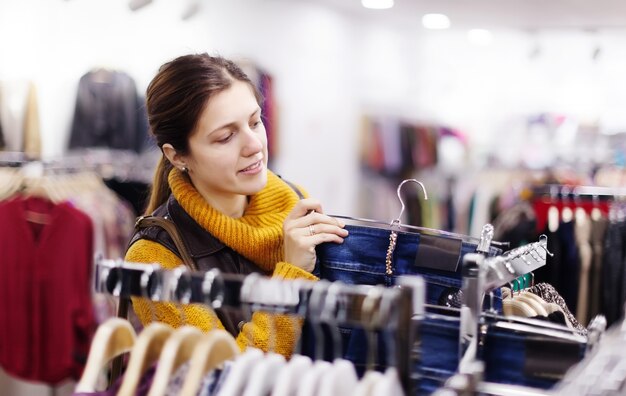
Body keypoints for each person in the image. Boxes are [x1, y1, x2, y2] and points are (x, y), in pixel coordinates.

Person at [125, 53, 348, 357]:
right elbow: (221, 381)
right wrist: (292, 278)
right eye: (225, 137)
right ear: (177, 156)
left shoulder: (295, 201)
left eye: (255, 122)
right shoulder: (154, 256)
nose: (254, 145)